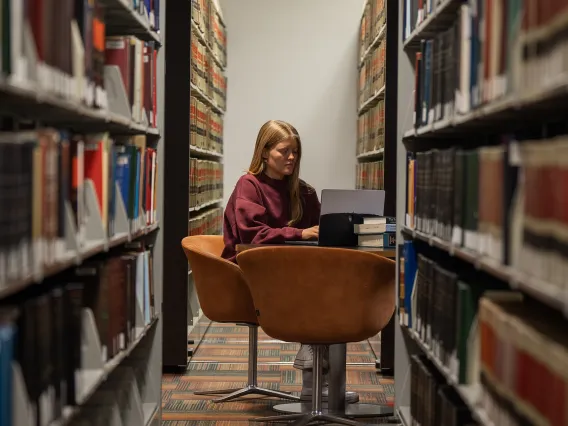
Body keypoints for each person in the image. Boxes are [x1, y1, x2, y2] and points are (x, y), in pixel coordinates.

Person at [221, 120, 359, 403]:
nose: (292, 158)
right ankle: (317, 379)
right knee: (321, 290)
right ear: (264, 152)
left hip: (291, 269)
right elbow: (253, 234)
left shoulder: (303, 191)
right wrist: (298, 232)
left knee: (334, 285)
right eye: (284, 151)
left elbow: (321, 230)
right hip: (250, 271)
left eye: (295, 151)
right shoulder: (249, 185)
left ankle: (320, 381)